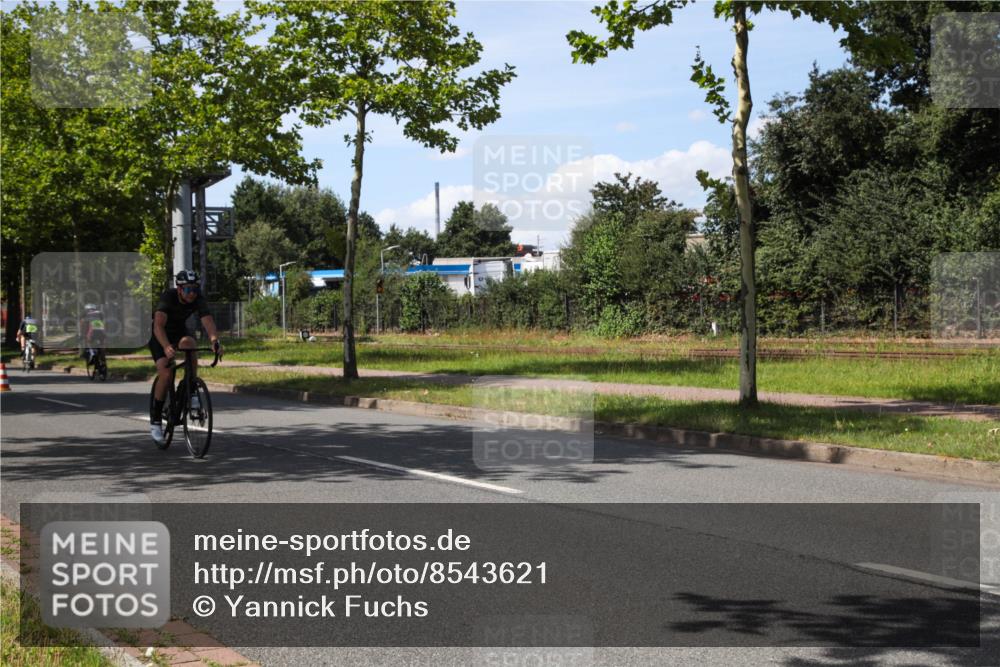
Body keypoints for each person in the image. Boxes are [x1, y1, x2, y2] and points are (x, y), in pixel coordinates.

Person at [149, 270, 222, 444]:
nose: (192, 294)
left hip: (179, 332)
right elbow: (158, 326)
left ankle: (190, 388)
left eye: (195, 289)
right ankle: (156, 420)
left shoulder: (198, 298)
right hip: (160, 336)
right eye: (188, 290)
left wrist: (214, 341)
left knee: (190, 345)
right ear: (179, 289)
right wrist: (166, 346)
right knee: (166, 374)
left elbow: (207, 321)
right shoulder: (168, 297)